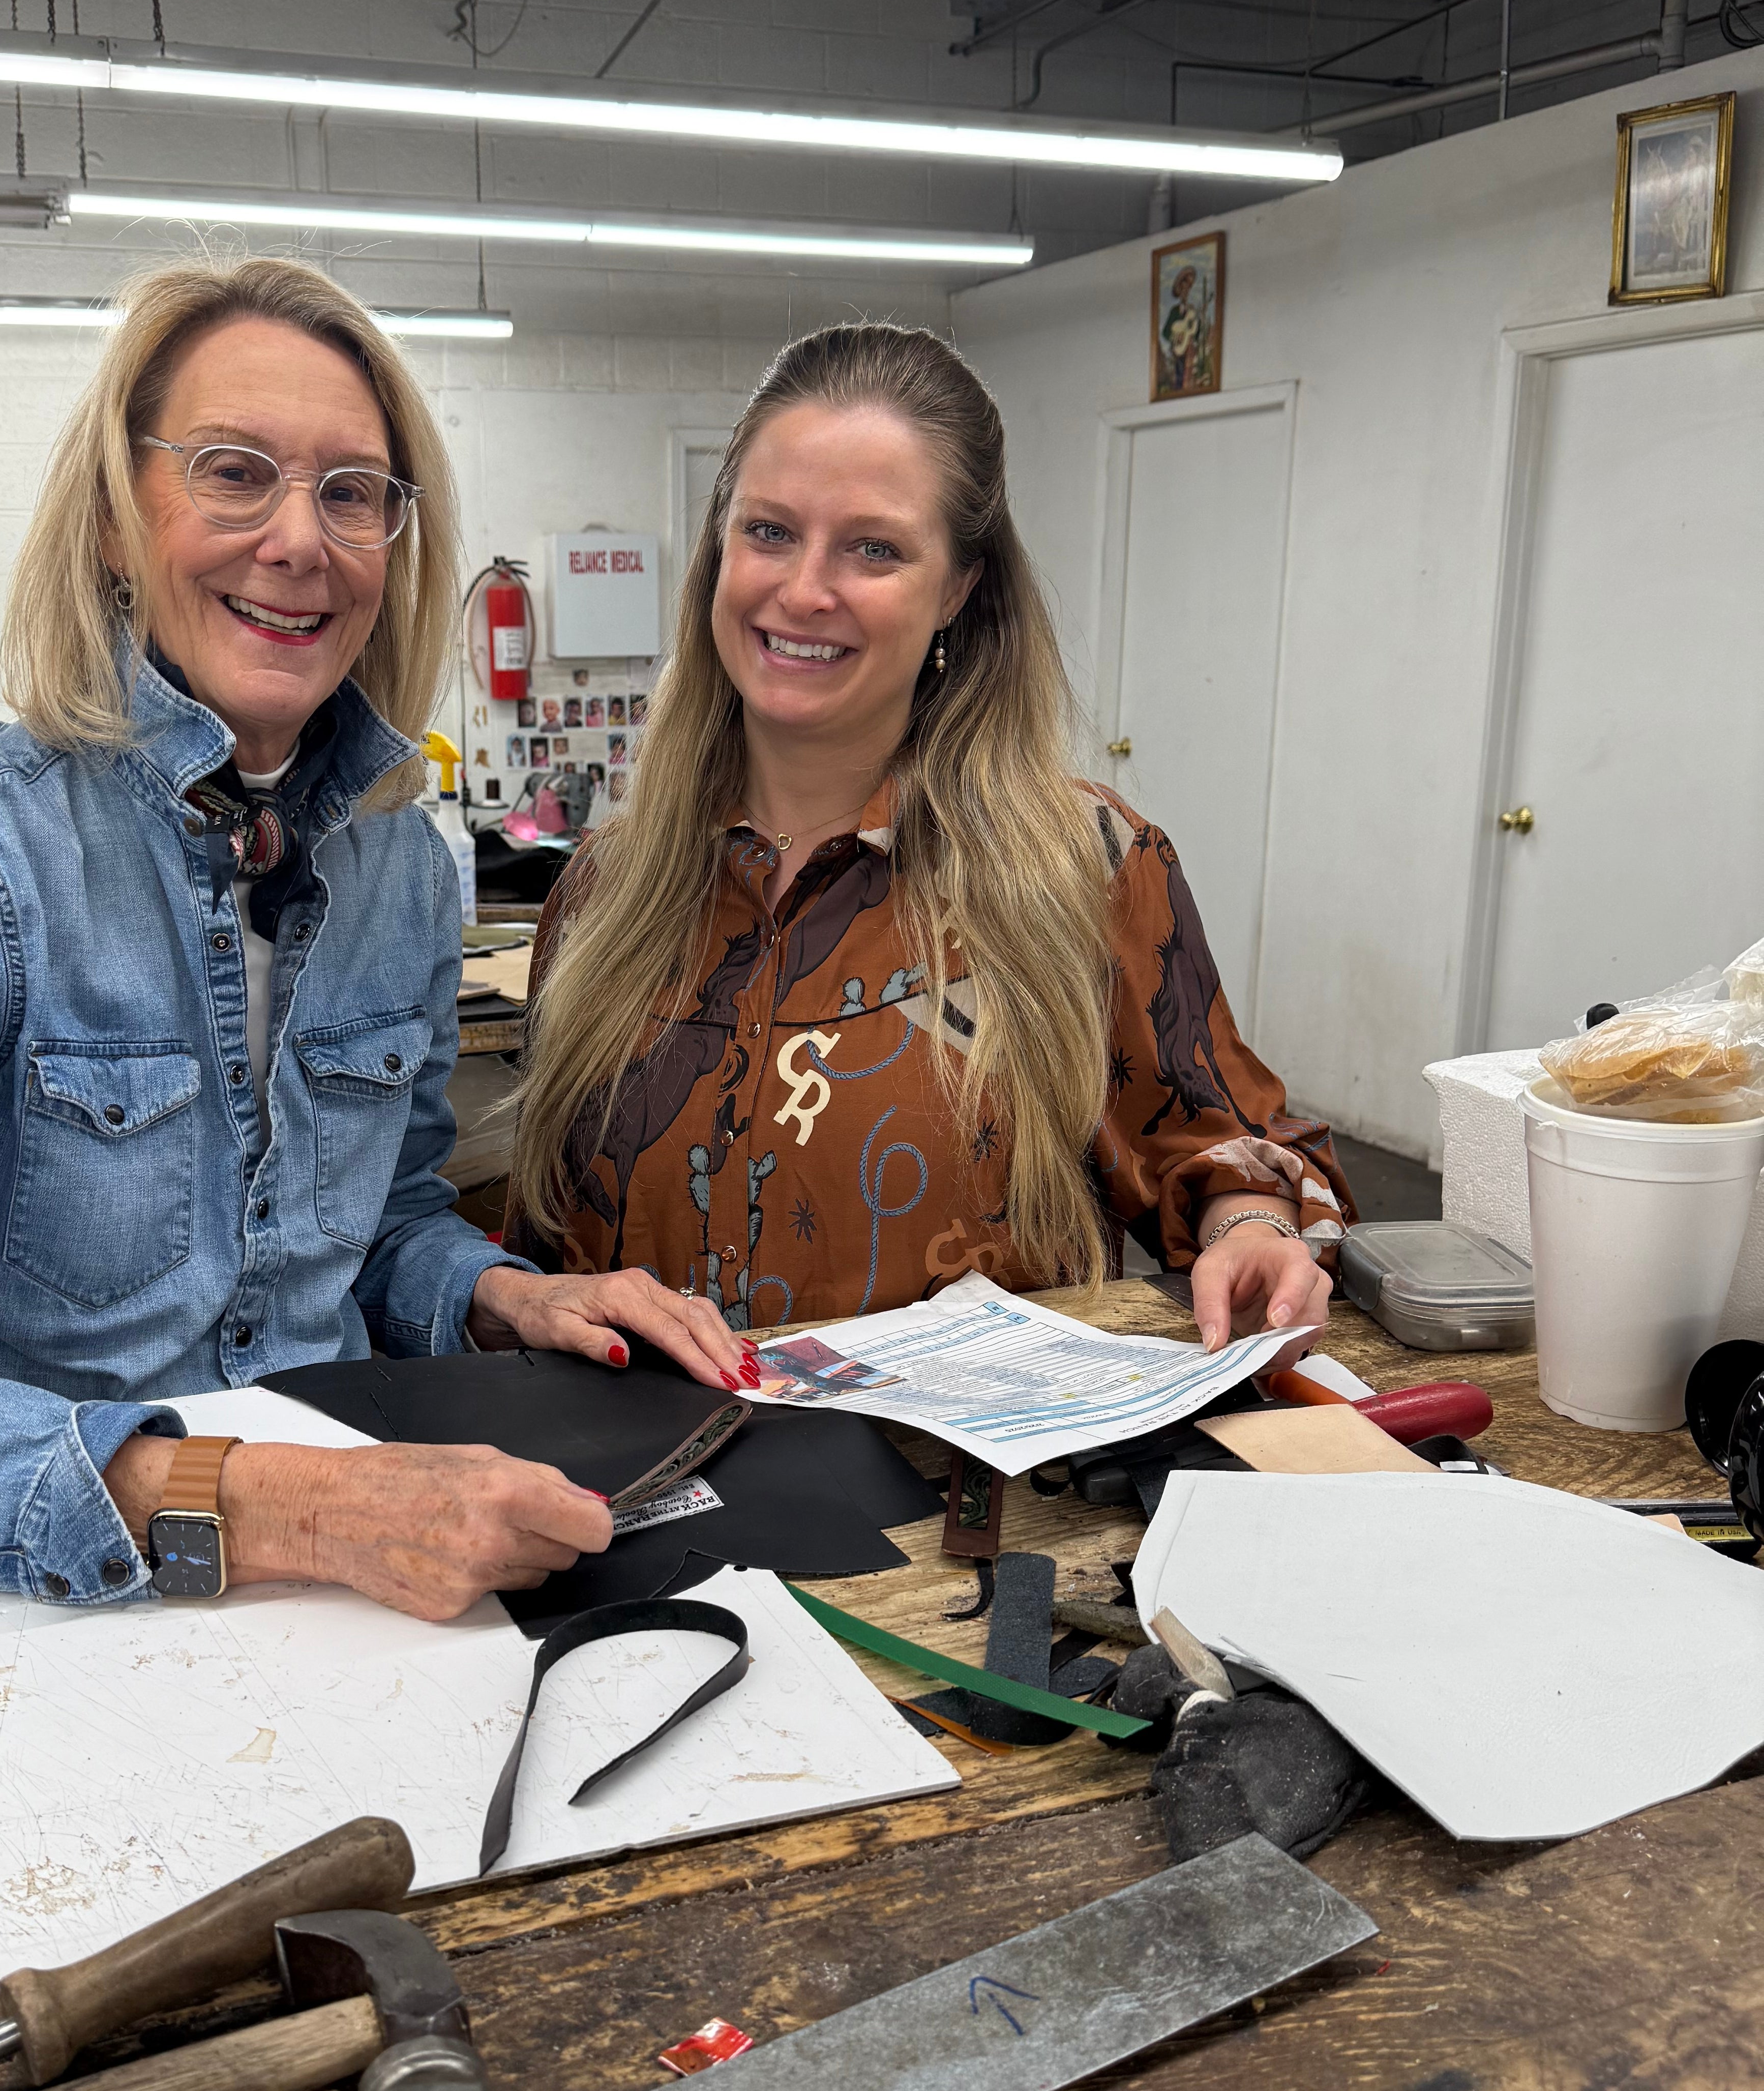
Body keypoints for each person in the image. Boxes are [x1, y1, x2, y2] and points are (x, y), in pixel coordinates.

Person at [0, 258, 749, 1623]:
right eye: (235, 473)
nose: (301, 540)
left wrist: (499, 1296)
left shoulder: (401, 865)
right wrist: (285, 1507)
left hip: (357, 1583)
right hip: (46, 1602)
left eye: (352, 493)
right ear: (114, 523)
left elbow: (374, 1226)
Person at [506, 322, 1353, 1341]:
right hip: (643, 1448)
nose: (804, 590)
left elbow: (1223, 1146)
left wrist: (1256, 1229)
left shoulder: (1081, 869)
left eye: (874, 548)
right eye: (769, 531)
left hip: (970, 1453)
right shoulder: (606, 891)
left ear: (959, 588)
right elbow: (543, 1261)